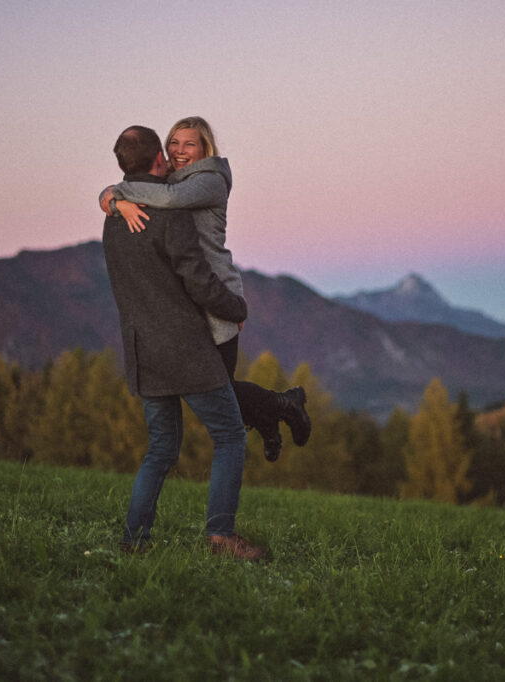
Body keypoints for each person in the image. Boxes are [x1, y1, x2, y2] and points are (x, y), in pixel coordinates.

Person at [98, 117, 309, 463]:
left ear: (205, 148)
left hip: (217, 293)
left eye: (189, 144)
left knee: (219, 389)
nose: (179, 151)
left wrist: (117, 196)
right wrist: (112, 200)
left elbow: (169, 198)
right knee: (217, 391)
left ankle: (282, 406)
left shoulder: (209, 180)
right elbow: (141, 185)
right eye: (174, 143)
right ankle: (272, 414)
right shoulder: (169, 179)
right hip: (194, 293)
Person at [103, 125, 266, 561]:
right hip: (184, 351)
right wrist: (236, 307)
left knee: (160, 449)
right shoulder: (170, 215)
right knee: (229, 435)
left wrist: (114, 198)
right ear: (159, 158)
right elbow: (199, 281)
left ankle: (134, 540)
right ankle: (221, 537)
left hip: (142, 351)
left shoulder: (114, 218)